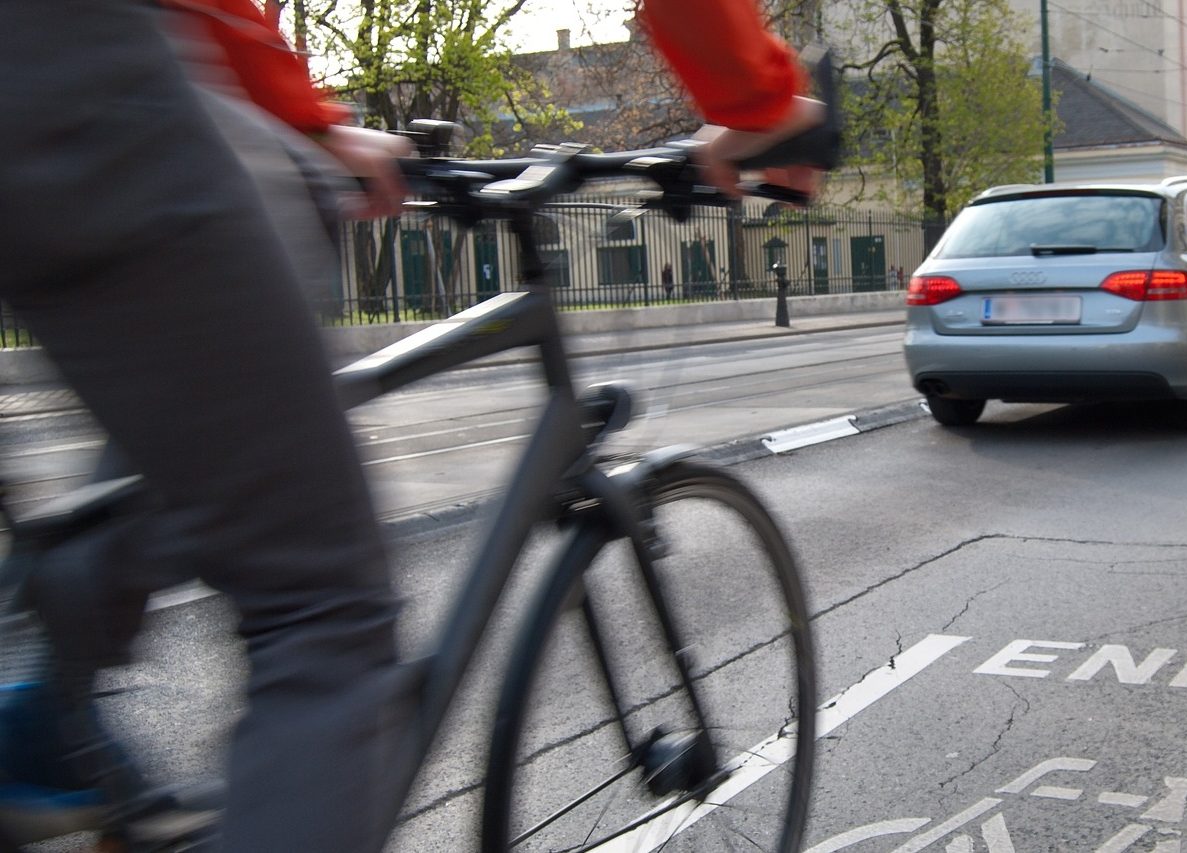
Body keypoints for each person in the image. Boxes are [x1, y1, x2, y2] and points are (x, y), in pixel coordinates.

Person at [0, 1, 825, 851]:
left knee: (226, 396)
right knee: (324, 616)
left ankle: (51, 707)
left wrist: (309, 127)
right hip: (74, 70)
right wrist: (761, 106)